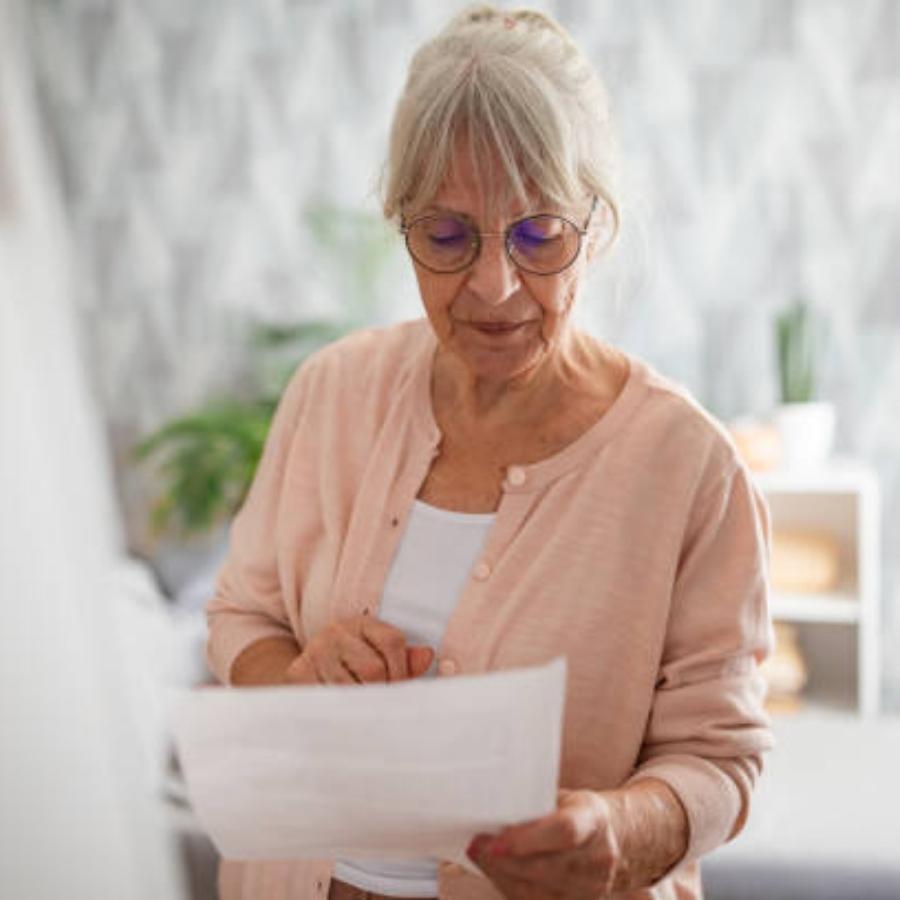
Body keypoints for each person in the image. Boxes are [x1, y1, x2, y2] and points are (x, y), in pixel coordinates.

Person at [205, 6, 774, 899]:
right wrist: (296, 675)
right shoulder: (332, 392)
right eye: (446, 235)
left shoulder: (688, 464)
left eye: (540, 233)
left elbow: (721, 759)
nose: (494, 285)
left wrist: (620, 830)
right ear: (402, 224)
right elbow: (240, 617)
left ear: (598, 224)